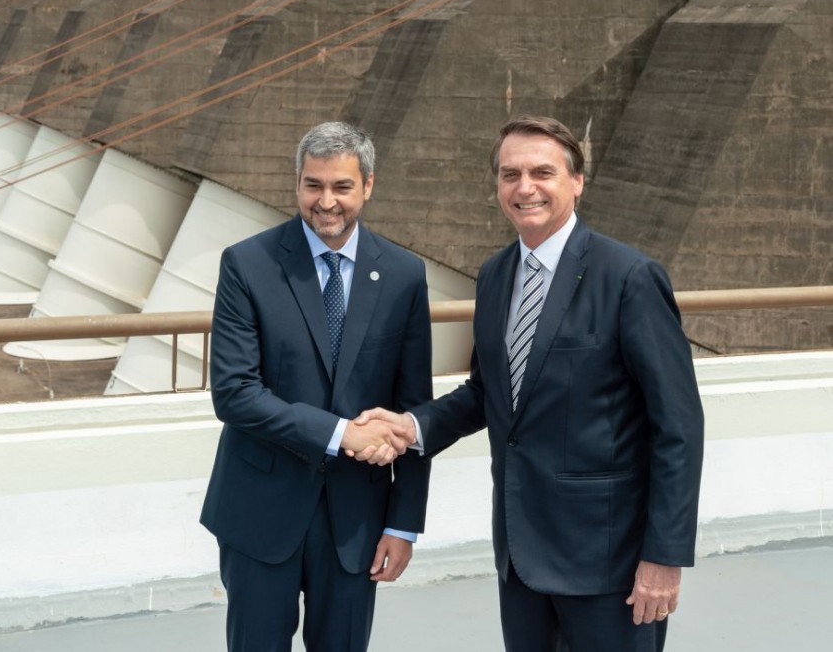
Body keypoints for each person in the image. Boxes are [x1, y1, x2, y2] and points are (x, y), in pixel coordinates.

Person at [354, 115, 705, 651]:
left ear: (577, 181)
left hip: (608, 562)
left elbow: (678, 426)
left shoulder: (629, 278)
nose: (525, 188)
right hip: (520, 555)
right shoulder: (496, 275)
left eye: (543, 172)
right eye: (509, 174)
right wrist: (411, 425)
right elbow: (488, 391)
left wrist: (665, 557)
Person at [200, 121, 433, 652]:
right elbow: (234, 392)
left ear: (368, 186)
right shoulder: (248, 264)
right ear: (298, 184)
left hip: (356, 522)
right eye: (313, 185)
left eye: (341, 187)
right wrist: (340, 434)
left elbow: (413, 410)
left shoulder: (403, 274)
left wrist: (403, 524)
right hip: (260, 514)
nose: (326, 202)